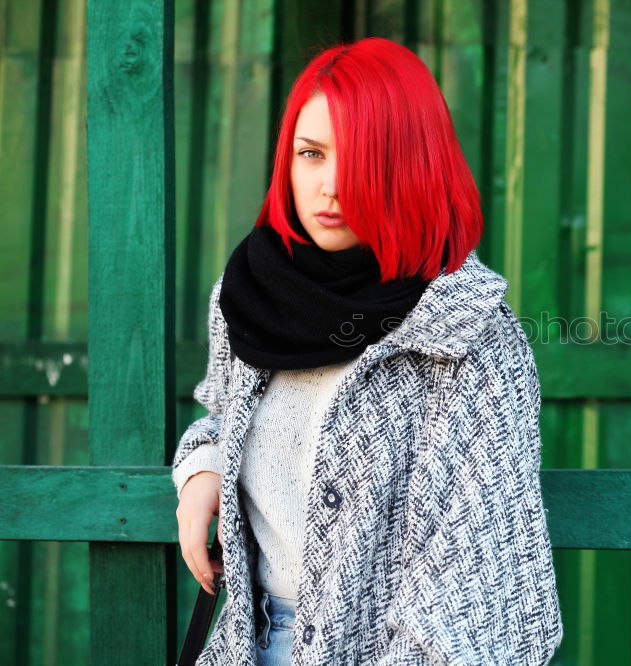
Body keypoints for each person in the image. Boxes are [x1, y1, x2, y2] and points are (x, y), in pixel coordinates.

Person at [172, 36, 563, 665]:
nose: (329, 185)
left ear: (410, 164)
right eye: (311, 153)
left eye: (361, 158)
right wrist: (202, 472)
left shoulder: (468, 330)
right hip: (256, 642)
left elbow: (481, 576)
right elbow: (229, 419)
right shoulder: (252, 294)